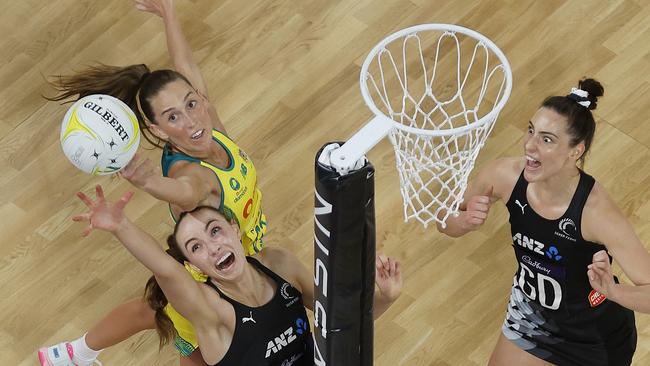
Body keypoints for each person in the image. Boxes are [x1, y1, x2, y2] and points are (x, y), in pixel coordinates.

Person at [38, 1, 266, 365]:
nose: (191, 120)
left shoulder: (211, 128)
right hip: (208, 272)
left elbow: (186, 68)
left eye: (191, 104)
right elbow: (183, 192)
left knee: (154, 312)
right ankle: (70, 354)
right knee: (186, 341)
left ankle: (72, 354)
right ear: (159, 130)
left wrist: (170, 15)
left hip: (237, 254)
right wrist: (145, 180)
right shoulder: (191, 176)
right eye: (174, 116)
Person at [437, 78, 650, 366]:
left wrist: (613, 291)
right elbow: (443, 220)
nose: (529, 145)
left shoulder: (597, 213)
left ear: (576, 151)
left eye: (546, 139)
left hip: (594, 337)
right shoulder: (503, 175)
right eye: (531, 131)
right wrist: (463, 222)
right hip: (531, 316)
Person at [74, 185, 402, 365]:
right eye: (196, 247)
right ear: (193, 266)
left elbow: (338, 323)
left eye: (214, 231)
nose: (213, 247)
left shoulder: (279, 265)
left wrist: (383, 297)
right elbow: (164, 269)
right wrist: (121, 226)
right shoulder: (211, 312)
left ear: (233, 228)